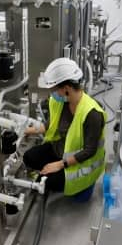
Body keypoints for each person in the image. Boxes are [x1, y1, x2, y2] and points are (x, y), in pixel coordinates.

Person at [23, 57, 106, 196]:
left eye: (53, 90)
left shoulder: (92, 113)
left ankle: (61, 179)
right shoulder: (61, 102)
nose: (52, 94)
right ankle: (48, 175)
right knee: (29, 157)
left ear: (66, 88)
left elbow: (89, 151)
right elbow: (48, 126)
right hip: (59, 150)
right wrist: (24, 130)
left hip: (79, 162)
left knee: (47, 181)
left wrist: (60, 164)